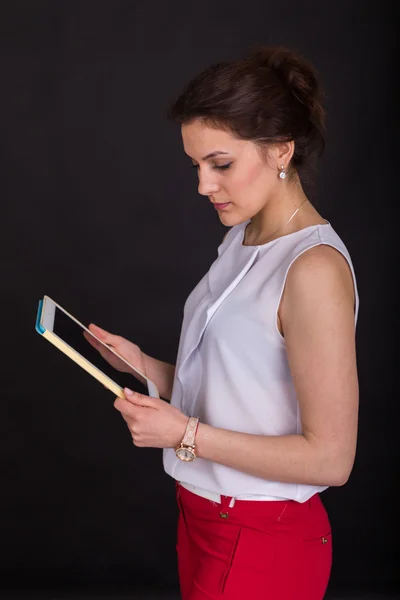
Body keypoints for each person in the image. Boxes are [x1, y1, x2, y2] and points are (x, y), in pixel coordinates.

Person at [86, 45, 359, 600]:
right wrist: (150, 370)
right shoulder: (242, 237)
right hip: (204, 520)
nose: (203, 186)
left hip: (264, 537)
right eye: (196, 166)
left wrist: (182, 434)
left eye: (222, 164)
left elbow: (331, 459)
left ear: (282, 150)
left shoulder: (313, 269)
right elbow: (242, 384)